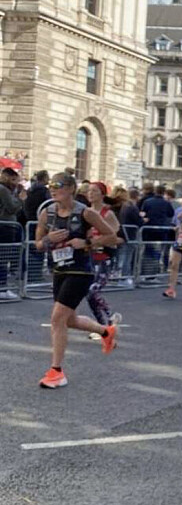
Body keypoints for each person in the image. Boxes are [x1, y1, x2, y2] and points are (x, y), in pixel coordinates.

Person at [33, 173, 119, 388]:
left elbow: (112, 236)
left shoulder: (85, 213)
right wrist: (47, 239)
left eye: (58, 185)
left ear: (71, 188)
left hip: (80, 271)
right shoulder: (47, 213)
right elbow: (38, 245)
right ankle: (106, 331)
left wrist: (87, 242)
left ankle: (56, 372)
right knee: (69, 320)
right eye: (51, 185)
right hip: (59, 270)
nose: (53, 189)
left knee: (57, 319)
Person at [84, 182, 122, 337]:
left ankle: (110, 317)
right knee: (89, 295)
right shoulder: (86, 212)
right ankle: (103, 327)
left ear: (102, 194)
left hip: (104, 257)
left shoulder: (108, 214)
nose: (90, 193)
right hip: (89, 257)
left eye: (94, 191)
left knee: (93, 291)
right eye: (89, 191)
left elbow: (118, 237)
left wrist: (99, 240)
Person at [0, 166, 24, 300]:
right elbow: (11, 208)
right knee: (4, 257)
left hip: (6, 225)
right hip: (6, 226)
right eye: (14, 180)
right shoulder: (3, 190)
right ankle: (2, 287)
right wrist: (20, 199)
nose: (16, 183)